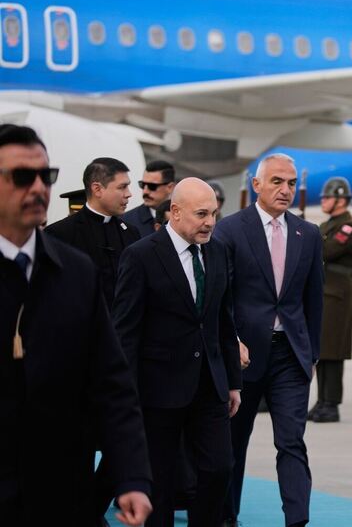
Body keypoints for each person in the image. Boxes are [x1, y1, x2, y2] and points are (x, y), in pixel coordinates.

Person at [0, 124, 152, 525]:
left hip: (59, 485)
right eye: (21, 177)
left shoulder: (74, 273)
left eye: (45, 176)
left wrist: (132, 476)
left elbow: (111, 382)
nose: (38, 188)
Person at [112, 178, 242, 527]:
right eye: (201, 214)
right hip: (157, 389)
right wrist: (125, 393)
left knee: (220, 468)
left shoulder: (218, 251)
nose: (210, 223)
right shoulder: (140, 255)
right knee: (161, 481)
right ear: (175, 211)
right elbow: (125, 331)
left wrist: (232, 382)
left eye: (214, 213)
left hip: (209, 386)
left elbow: (222, 321)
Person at [214, 153, 324, 527]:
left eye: (291, 183)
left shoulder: (307, 234)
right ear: (256, 184)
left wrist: (312, 353)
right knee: (233, 442)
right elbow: (221, 296)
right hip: (243, 356)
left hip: (290, 356)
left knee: (291, 442)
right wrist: (231, 343)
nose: (285, 189)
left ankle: (297, 520)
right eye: (277, 181)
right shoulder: (229, 230)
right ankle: (226, 516)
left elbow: (314, 299)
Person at [45, 156, 140, 308]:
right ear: (97, 189)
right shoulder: (59, 234)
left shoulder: (131, 233)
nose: (129, 194)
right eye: (122, 187)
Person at [310, 177, 352, 424]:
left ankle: (332, 403)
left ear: (340, 200)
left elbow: (325, 250)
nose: (323, 201)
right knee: (323, 349)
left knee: (334, 349)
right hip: (325, 290)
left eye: (327, 197)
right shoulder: (329, 225)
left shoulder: (347, 227)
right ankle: (322, 400)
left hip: (337, 293)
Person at [126, 160, 176, 238]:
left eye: (152, 186)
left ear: (170, 187)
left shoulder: (184, 217)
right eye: (142, 185)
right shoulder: (127, 221)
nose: (145, 191)